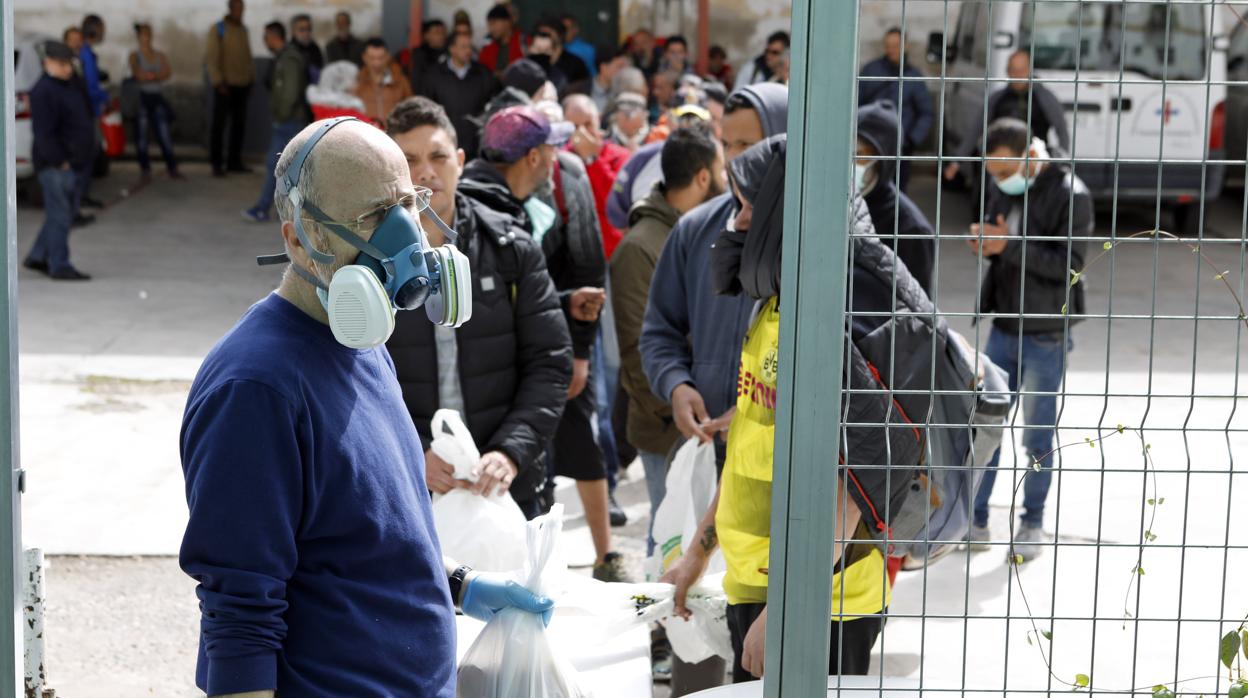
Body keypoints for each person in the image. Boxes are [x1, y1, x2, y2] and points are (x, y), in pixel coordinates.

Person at [180, 117, 553, 697]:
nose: (406, 235)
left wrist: (460, 584)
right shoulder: (255, 387)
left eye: (407, 203)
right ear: (300, 239)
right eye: (373, 217)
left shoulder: (363, 344)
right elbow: (240, 618)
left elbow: (366, 537)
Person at [667, 134, 926, 683]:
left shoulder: (841, 313)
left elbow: (859, 474)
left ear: (788, 211)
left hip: (822, 603)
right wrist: (699, 552)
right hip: (760, 585)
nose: (737, 222)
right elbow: (749, 441)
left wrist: (788, 607)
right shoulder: (779, 300)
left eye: (749, 207)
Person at [383, 97, 571, 520]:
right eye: (409, 161)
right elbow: (350, 381)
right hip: (404, 491)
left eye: (438, 157)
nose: (426, 172)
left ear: (461, 161)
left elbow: (549, 361)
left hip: (503, 490)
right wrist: (412, 452)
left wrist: (510, 451)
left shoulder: (511, 247)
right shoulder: (365, 264)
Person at [459, 107, 624, 582]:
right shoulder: (485, 218)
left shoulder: (508, 204)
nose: (557, 158)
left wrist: (563, 304)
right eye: (552, 149)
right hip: (497, 415)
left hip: (514, 410)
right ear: (533, 157)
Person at [640, 82, 787, 472]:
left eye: (749, 144)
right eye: (728, 144)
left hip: (784, 459)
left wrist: (767, 411)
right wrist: (676, 384)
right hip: (705, 450)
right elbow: (659, 330)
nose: (735, 158)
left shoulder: (813, 240)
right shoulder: (695, 229)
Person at [966, 117, 1092, 562]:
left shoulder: (1071, 194)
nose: (999, 179)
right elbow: (1001, 235)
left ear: (1029, 155)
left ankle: (1032, 523)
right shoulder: (1005, 184)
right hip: (1004, 326)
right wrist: (986, 242)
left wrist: (1008, 245)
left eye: (1005, 170)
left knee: (1037, 438)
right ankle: (974, 521)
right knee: (985, 429)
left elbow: (1069, 265)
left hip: (1045, 334)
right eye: (993, 172)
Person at [611, 124, 723, 553]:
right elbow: (638, 351)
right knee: (669, 541)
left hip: (704, 423)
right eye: (722, 167)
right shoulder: (640, 247)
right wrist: (680, 408)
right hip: (669, 428)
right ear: (702, 176)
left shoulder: (706, 230)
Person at [943, 49, 1071, 184]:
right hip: (1001, 167)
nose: (1018, 76)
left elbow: (1062, 129)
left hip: (1032, 166)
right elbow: (977, 130)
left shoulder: (1044, 98)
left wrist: (1062, 162)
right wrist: (956, 162)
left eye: (1022, 71)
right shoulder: (998, 99)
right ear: (1008, 72)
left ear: (1030, 70)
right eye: (1014, 71)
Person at [23, 41, 94, 281]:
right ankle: (59, 265)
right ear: (48, 63)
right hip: (55, 165)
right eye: (62, 64)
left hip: (74, 161)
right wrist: (59, 161)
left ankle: (38, 255)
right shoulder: (43, 91)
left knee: (59, 212)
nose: (67, 69)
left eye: (69, 64)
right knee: (61, 215)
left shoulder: (72, 83)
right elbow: (44, 134)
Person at [856, 100, 935, 294]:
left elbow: (916, 305)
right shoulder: (831, 203)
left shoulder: (910, 228)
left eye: (859, 154)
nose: (851, 161)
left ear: (883, 158)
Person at [243, 21, 310, 223]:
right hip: (287, 120)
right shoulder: (284, 57)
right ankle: (292, 212)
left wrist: (281, 115)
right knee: (286, 168)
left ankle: (264, 208)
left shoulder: (289, 59)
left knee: (278, 166)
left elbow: (290, 93)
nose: (264, 41)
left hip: (289, 121)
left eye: (265, 37)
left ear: (273, 37)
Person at [858, 27, 935, 191]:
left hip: (901, 146)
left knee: (898, 190)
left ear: (906, 46)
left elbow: (926, 112)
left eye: (896, 45)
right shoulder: (870, 70)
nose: (892, 50)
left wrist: (911, 140)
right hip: (871, 144)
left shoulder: (914, 76)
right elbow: (857, 104)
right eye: (888, 46)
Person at [563, 94, 629, 258]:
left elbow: (618, 203)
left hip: (613, 252)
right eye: (575, 127)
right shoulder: (561, 158)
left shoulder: (620, 156)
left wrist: (592, 161)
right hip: (575, 254)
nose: (582, 133)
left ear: (598, 119)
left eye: (588, 124)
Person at [422, 29, 496, 159]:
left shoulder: (482, 73)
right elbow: (427, 107)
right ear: (452, 49)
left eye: (469, 47)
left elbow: (492, 104)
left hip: (476, 145)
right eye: (463, 47)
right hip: (445, 142)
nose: (468, 51)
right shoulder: (435, 74)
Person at [204, 0, 254, 177]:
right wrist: (218, 81)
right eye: (237, 8)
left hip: (242, 84)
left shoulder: (243, 30)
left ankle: (234, 162)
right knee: (219, 126)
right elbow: (212, 57)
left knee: (239, 126)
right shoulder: (219, 29)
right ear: (231, 9)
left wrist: (251, 78)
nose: (240, 11)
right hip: (225, 85)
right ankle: (216, 164)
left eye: (242, 8)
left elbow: (247, 56)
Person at [128, 23, 181, 182]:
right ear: (138, 37)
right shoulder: (134, 55)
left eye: (148, 33)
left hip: (156, 97)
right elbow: (138, 75)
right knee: (142, 136)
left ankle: (172, 167)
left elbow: (167, 72)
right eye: (143, 34)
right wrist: (155, 75)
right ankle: (145, 169)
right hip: (141, 98)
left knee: (164, 134)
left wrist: (150, 76)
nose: (146, 37)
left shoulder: (159, 55)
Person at [529, 16, 591, 97]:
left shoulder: (576, 64)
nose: (543, 38)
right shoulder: (530, 62)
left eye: (547, 34)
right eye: (540, 34)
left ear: (559, 35)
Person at [357, 38, 413, 123]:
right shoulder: (357, 83)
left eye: (380, 58)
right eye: (372, 58)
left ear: (388, 56)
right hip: (365, 130)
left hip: (394, 130)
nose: (376, 63)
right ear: (364, 57)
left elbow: (410, 108)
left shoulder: (400, 81)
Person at [480, 3, 525, 76]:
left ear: (507, 22)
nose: (491, 29)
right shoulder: (487, 47)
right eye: (489, 25)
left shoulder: (523, 42)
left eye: (493, 23)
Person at [408, 19, 449, 96]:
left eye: (443, 32)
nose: (442, 35)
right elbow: (416, 82)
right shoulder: (419, 55)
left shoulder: (450, 53)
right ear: (426, 35)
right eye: (437, 32)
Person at [590, 45, 629, 114]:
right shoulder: (578, 90)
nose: (624, 71)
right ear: (603, 67)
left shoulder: (627, 91)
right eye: (620, 67)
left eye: (626, 68)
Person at [291, 14, 325, 84]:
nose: (306, 33)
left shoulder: (315, 48)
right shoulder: (289, 51)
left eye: (309, 29)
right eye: (302, 29)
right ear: (293, 31)